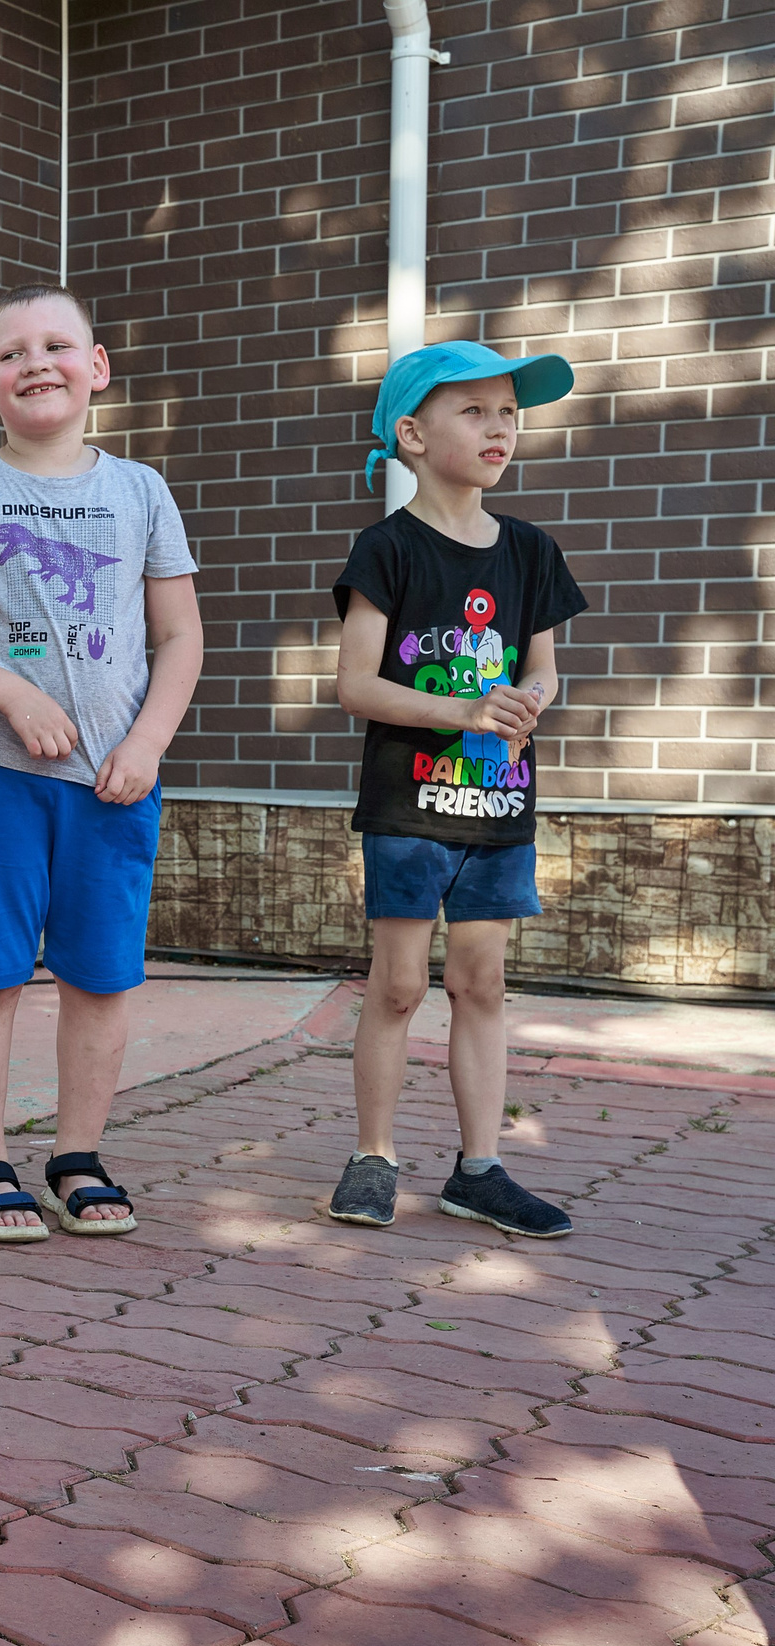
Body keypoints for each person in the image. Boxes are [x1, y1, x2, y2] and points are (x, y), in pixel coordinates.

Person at [0, 285, 204, 1242]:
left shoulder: (141, 492)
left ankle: (78, 1155)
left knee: (101, 977)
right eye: (12, 353)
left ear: (96, 367)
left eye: (57, 345)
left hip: (115, 782)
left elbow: (180, 635)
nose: (36, 362)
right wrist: (12, 696)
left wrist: (148, 742)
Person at [326, 341, 584, 1238]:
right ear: (412, 433)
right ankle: (373, 1156)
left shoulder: (530, 551)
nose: (498, 426)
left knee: (482, 981)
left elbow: (543, 669)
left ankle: (480, 1170)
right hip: (409, 807)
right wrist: (466, 709)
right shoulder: (387, 548)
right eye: (473, 410)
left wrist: (527, 701)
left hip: (499, 807)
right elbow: (355, 684)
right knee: (398, 984)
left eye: (508, 411)